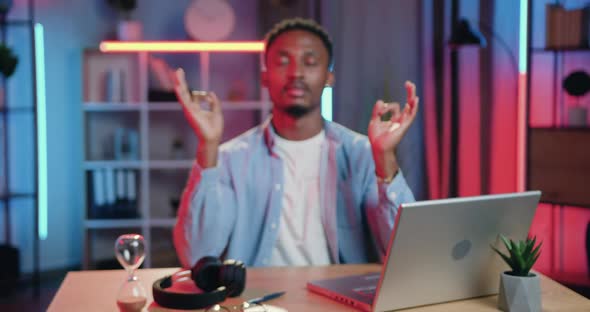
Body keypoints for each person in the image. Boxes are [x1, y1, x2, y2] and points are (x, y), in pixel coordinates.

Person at [173, 18, 419, 268]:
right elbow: (196, 255)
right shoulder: (229, 158)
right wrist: (208, 144)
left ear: (328, 77)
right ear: (265, 77)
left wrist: (385, 155)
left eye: (310, 62)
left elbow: (403, 252)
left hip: (341, 299)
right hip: (257, 301)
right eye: (282, 62)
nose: (296, 73)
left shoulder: (362, 153)